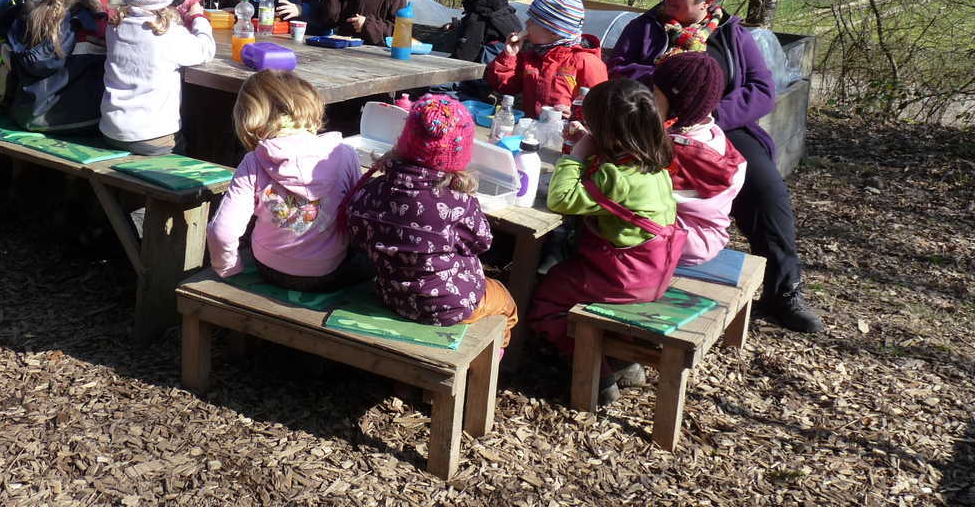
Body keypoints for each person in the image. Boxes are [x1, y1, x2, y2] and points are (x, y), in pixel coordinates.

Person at [608, 0, 825, 332]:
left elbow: (761, 90)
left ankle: (783, 289)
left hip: (721, 128)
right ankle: (630, 272)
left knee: (767, 189)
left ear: (708, 1)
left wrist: (710, 115)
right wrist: (664, 87)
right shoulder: (645, 29)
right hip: (649, 125)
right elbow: (620, 72)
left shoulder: (731, 35)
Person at [525, 78, 681, 405]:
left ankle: (597, 370)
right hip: (654, 275)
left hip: (621, 279)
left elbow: (561, 199)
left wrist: (578, 154)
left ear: (607, 132)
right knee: (569, 273)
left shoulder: (615, 177)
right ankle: (626, 362)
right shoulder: (654, 167)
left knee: (547, 297)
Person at [344, 95, 519, 349]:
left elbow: (356, 231)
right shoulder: (457, 204)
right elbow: (483, 242)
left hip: (390, 295)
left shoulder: (372, 190)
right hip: (452, 305)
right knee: (505, 303)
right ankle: (494, 360)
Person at [208, 70, 364, 289]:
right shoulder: (344, 154)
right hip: (330, 269)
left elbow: (222, 231)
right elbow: (358, 215)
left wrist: (228, 268)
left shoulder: (253, 161)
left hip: (270, 268)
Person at [100, 0, 215, 155]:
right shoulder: (169, 33)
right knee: (197, 143)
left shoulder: (115, 25)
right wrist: (198, 18)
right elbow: (206, 50)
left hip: (111, 131)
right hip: (153, 137)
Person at [651, 52, 747, 266]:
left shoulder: (674, 151)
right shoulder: (711, 134)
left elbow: (627, 185)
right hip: (707, 237)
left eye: (655, 95)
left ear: (678, 104)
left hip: (678, 241)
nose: (650, 100)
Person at [2, 0, 108, 132]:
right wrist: (100, 9)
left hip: (26, 114)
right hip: (82, 119)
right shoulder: (94, 20)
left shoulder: (28, 16)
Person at [484, 0, 608, 117]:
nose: (526, 23)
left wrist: (574, 115)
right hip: (533, 132)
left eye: (533, 21)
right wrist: (509, 56)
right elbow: (505, 87)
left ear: (554, 31)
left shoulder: (587, 62)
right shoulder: (532, 56)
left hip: (568, 134)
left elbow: (600, 110)